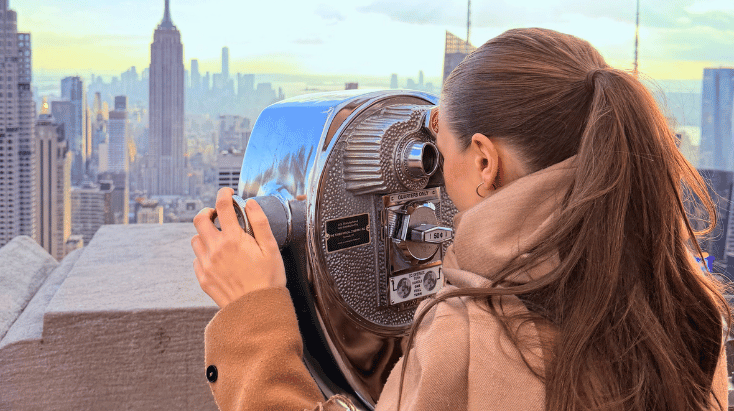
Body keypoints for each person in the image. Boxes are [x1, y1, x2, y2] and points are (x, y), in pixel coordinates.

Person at [191, 28, 730, 411]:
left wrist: (251, 316)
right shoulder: (686, 303)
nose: (434, 171)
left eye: (439, 150)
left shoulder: (470, 340)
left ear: (485, 161)